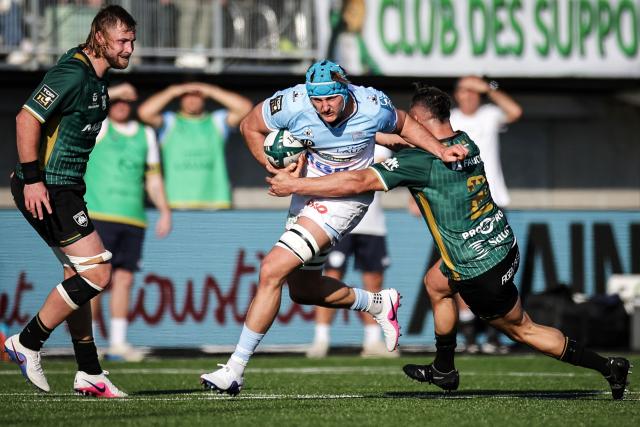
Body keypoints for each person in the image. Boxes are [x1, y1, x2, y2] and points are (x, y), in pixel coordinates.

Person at [267, 84, 631, 400]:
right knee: (435, 283)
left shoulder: (419, 161)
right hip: (499, 243)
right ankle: (444, 369)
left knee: (524, 329)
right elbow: (404, 139)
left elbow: (354, 183)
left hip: (477, 268)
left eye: (410, 121)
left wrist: (295, 185)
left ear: (420, 121)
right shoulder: (464, 142)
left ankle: (609, 366)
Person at [199, 60, 467, 396]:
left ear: (346, 91)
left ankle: (235, 369)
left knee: (271, 270)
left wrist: (441, 150)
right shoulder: (292, 102)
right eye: (317, 100)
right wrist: (269, 164)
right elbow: (249, 126)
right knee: (302, 289)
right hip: (308, 188)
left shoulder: (371, 104)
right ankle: (377, 303)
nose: (323, 107)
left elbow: (404, 123)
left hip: (345, 199)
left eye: (331, 99)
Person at [3, 5, 136, 398]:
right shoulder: (73, 72)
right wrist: (32, 180)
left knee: (76, 276)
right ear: (99, 37)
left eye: (132, 39)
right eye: (122, 40)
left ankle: (89, 372)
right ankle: (27, 342)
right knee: (98, 273)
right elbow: (26, 118)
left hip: (66, 188)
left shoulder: (96, 79)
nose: (129, 48)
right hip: (49, 187)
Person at [84, 82, 172, 362]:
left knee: (124, 280)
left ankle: (119, 343)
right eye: (117, 101)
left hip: (133, 218)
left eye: (126, 102)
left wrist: (164, 210)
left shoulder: (145, 135)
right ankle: (90, 341)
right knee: (95, 281)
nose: (121, 105)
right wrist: (119, 90)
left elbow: (154, 178)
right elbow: (86, 104)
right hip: (99, 215)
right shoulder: (100, 128)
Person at [450, 75, 523, 354]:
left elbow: (515, 112)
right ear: (456, 95)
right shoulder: (451, 119)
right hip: (459, 205)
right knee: (458, 270)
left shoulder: (490, 114)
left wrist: (489, 88)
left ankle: (496, 333)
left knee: (497, 270)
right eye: (463, 92)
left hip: (492, 203)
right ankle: (468, 333)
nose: (468, 97)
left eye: (473, 92)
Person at [306, 145, 395, 359]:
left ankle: (373, 341)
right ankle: (321, 339)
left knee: (373, 280)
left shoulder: (378, 140)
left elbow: (371, 174)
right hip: (337, 220)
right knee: (330, 276)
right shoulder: (335, 138)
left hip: (372, 222)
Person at [138, 82, 252, 209]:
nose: (192, 100)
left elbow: (245, 108)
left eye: (197, 95)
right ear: (180, 98)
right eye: (186, 95)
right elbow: (144, 113)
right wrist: (172, 91)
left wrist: (212, 90)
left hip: (215, 202)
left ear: (204, 97)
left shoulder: (216, 121)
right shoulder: (170, 121)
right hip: (176, 201)